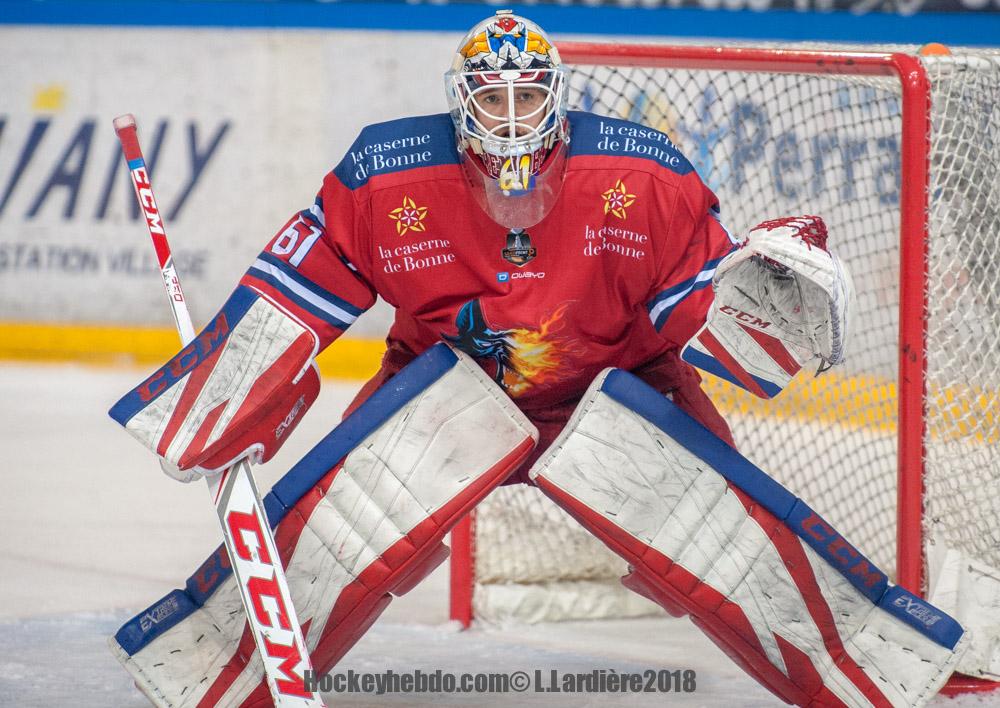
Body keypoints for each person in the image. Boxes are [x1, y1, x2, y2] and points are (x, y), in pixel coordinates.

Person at [107, 11, 965, 708]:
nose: (511, 117)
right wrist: (228, 392)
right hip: (444, 394)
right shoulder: (384, 175)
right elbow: (299, 285)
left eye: (527, 96)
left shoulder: (642, 175)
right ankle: (217, 672)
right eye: (492, 97)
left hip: (618, 390)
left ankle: (878, 675)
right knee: (333, 531)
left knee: (739, 544)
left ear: (557, 96)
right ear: (460, 102)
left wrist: (756, 289)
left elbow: (701, 307)